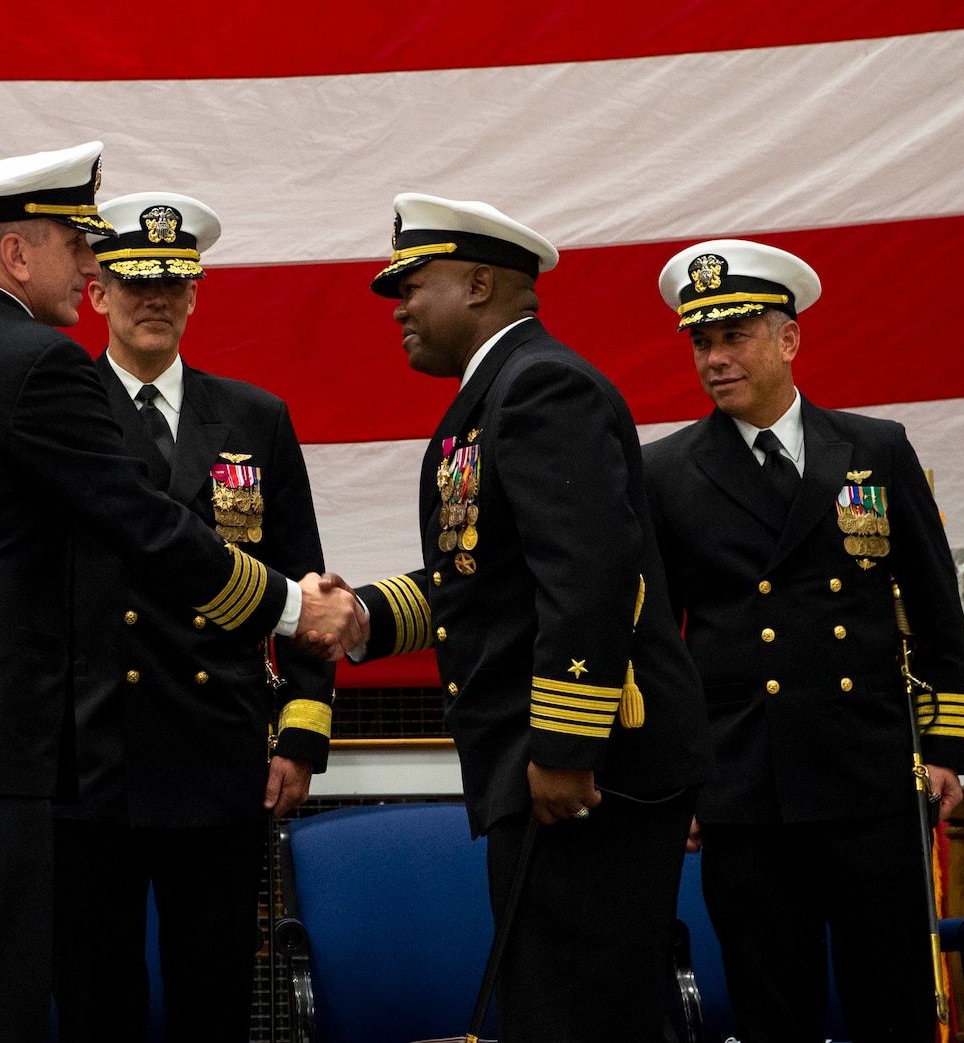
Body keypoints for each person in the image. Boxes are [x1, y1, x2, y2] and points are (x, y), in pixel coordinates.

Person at [0, 143, 362, 1043]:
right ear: (20, 254)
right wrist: (303, 611)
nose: (92, 269)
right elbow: (144, 527)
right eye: (79, 244)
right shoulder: (37, 362)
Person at [345, 193, 712, 1042]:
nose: (399, 306)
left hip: (586, 777)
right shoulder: (502, 391)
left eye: (413, 284)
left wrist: (566, 747)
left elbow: (588, 576)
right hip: (549, 768)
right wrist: (362, 615)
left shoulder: (540, 385)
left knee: (578, 1010)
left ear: (478, 284)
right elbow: (487, 576)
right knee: (552, 1000)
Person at [642, 239, 964, 1043]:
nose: (715, 358)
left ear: (789, 339)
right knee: (773, 1010)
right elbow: (656, 643)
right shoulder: (666, 471)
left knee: (892, 1002)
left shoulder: (873, 450)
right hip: (745, 785)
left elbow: (936, 611)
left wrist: (943, 748)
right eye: (700, 341)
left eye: (736, 336)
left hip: (868, 777)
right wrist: (680, 777)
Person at [51, 192, 335, 1041]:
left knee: (213, 997)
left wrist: (301, 732)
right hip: (90, 752)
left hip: (220, 753)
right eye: (136, 282)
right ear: (97, 291)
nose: (155, 301)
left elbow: (303, 586)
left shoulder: (255, 418)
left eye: (175, 283)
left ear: (197, 294)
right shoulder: (54, 411)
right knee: (99, 999)